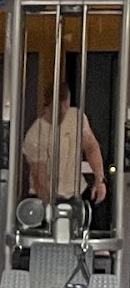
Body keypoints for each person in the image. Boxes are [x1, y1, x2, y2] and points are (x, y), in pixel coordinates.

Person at [22, 80, 106, 209]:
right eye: (60, 106)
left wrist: (99, 179)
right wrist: (50, 206)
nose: (64, 110)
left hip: (77, 191)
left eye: (66, 105)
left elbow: (91, 146)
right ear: (49, 104)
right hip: (47, 195)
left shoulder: (76, 117)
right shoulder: (35, 134)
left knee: (90, 215)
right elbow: (39, 178)